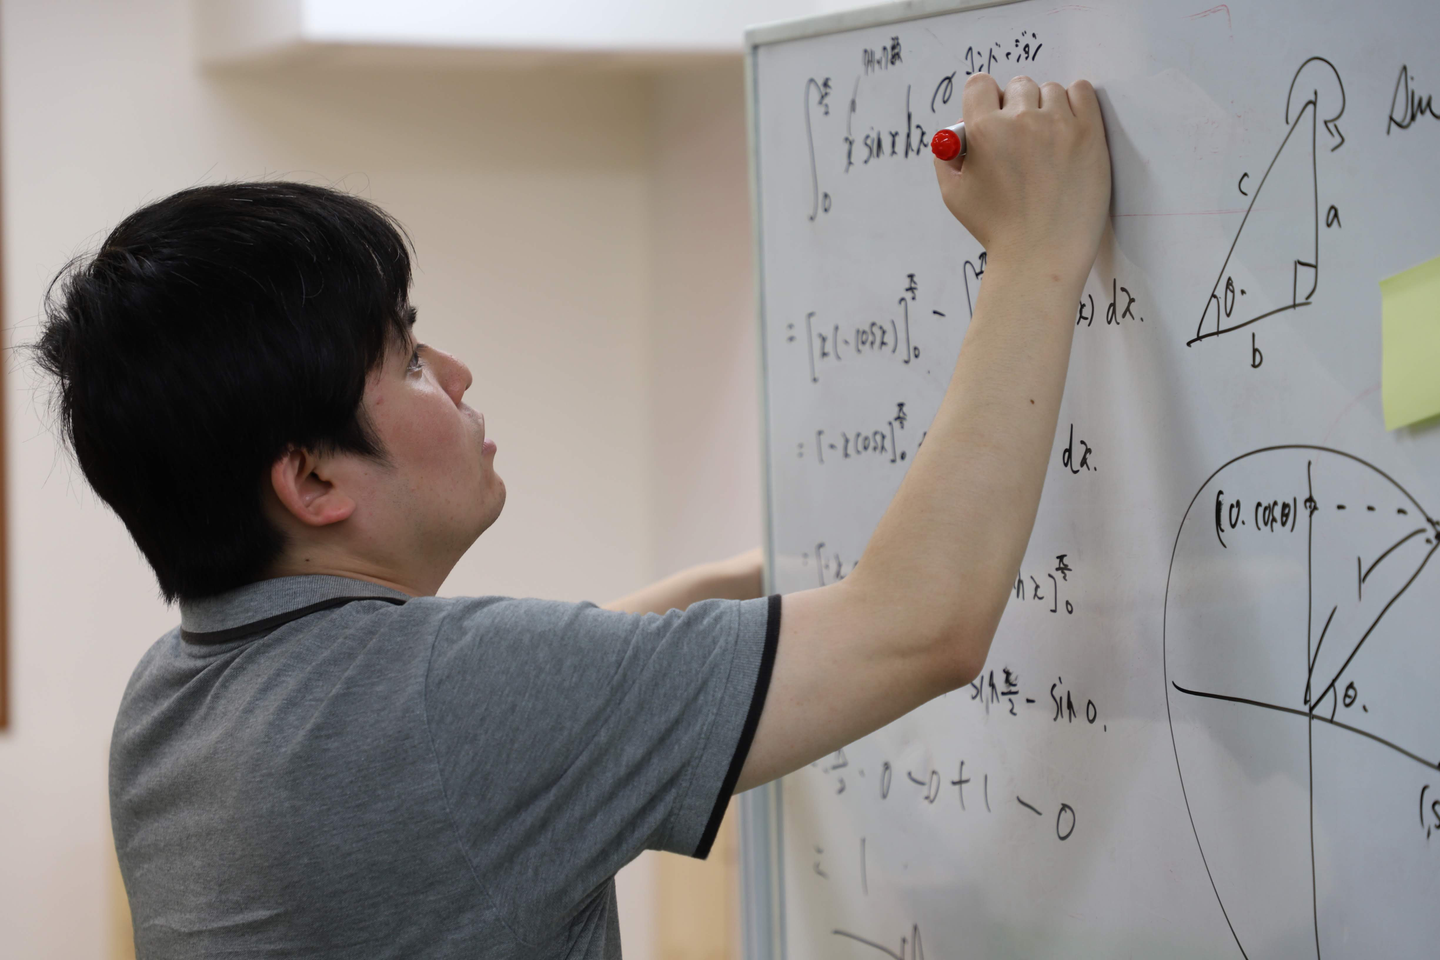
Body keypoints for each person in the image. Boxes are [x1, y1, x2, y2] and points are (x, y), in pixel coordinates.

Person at [33, 73, 1109, 958]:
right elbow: (921, 627)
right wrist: (1034, 249)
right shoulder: (454, 703)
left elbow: (517, 708)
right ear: (311, 481)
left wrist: (740, 574)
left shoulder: (170, 701)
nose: (458, 372)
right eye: (408, 360)